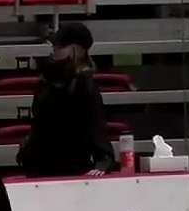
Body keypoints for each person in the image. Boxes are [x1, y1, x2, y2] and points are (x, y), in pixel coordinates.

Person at [16, 22, 118, 177]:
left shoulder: (84, 84)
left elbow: (95, 124)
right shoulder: (45, 81)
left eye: (60, 45)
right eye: (55, 44)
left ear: (76, 50)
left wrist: (103, 159)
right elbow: (38, 123)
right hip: (38, 166)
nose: (54, 48)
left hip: (71, 167)